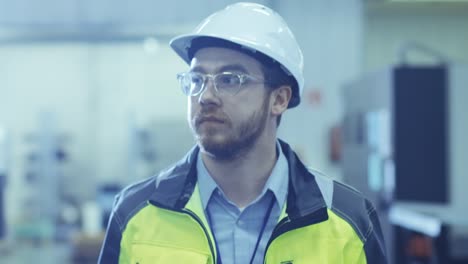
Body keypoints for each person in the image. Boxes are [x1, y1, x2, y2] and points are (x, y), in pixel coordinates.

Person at [98, 2, 387, 263]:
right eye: (197, 79)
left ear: (279, 99)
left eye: (229, 79)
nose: (206, 96)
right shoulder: (135, 214)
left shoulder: (348, 221)